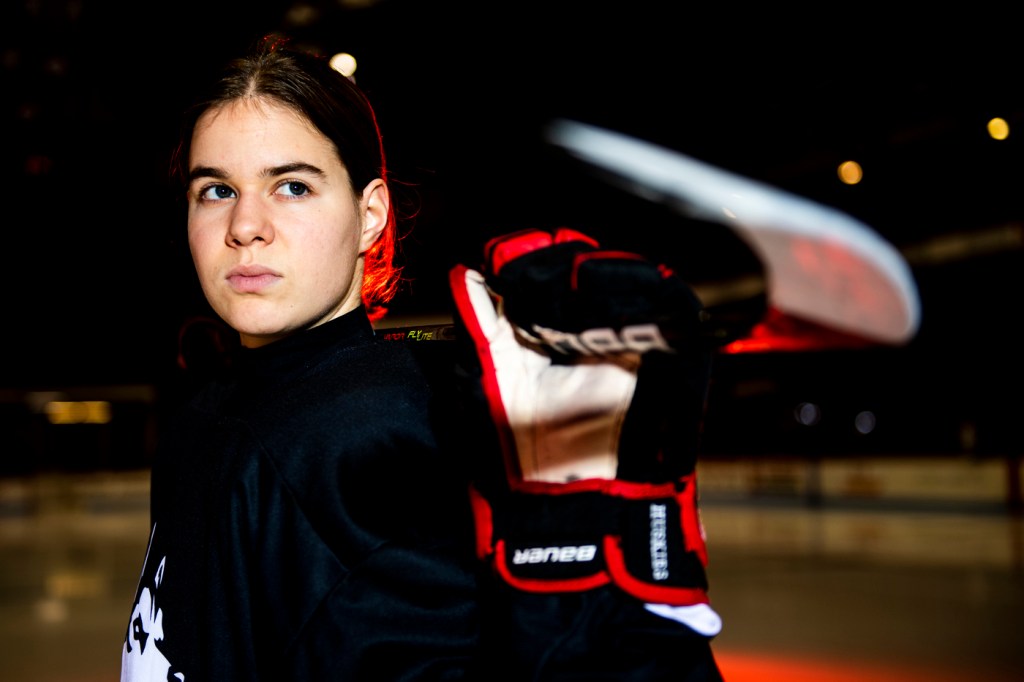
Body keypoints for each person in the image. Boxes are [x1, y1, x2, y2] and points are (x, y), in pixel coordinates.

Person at [120, 35, 724, 681]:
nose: (245, 226)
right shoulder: (212, 408)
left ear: (371, 214)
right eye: (215, 190)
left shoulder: (366, 434)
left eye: (291, 187)